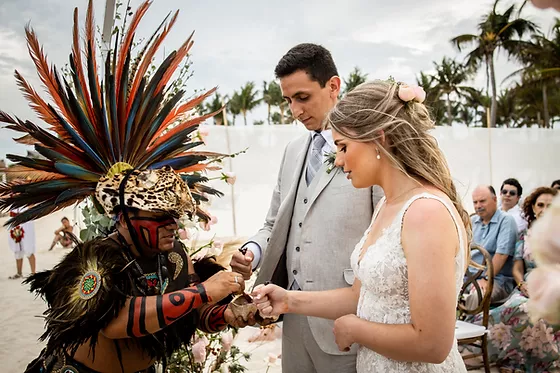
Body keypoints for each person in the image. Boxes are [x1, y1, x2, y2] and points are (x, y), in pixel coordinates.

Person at [0, 2, 258, 372]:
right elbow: (113, 320)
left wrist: (231, 314)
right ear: (125, 217)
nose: (172, 225)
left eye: (175, 216)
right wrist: (204, 290)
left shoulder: (175, 258)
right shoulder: (96, 257)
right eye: (160, 216)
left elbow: (190, 316)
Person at [252, 79, 471, 372]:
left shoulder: (425, 212)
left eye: (343, 147)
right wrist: (289, 301)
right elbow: (359, 295)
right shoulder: (388, 206)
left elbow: (432, 343)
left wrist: (356, 330)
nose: (339, 161)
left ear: (379, 139)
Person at [230, 43, 383, 373]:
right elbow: (273, 223)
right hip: (294, 320)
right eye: (288, 101)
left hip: (347, 316)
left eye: (302, 97)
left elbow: (386, 234)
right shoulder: (293, 150)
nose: (295, 111)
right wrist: (251, 252)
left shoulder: (368, 147)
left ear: (333, 86)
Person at [471, 186, 559, 372]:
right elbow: (517, 266)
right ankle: (506, 356)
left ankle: (542, 362)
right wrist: (521, 283)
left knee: (528, 309)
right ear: (533, 208)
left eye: (549, 206)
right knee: (513, 307)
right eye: (540, 205)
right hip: (527, 284)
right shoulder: (524, 235)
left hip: (554, 285)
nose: (544, 210)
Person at [469, 185, 519, 306]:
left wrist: (486, 279)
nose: (478, 206)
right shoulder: (472, 221)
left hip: (496, 280)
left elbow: (502, 255)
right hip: (470, 278)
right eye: (475, 202)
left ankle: (471, 325)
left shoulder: (506, 220)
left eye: (482, 201)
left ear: (495, 199)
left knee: (477, 295)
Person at [7, 207, 36, 279]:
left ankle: (33, 274)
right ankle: (19, 273)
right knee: (17, 249)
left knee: (28, 248)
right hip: (14, 222)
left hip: (26, 222)